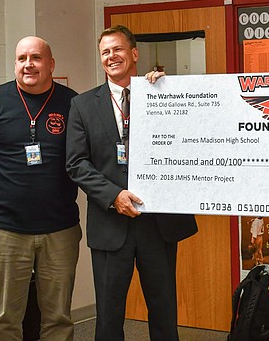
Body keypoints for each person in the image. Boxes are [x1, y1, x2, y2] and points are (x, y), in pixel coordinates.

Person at [65, 25, 198, 341]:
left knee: (164, 313)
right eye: (105, 52)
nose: (112, 56)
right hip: (111, 224)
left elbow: (189, 138)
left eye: (118, 49)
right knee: (108, 319)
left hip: (158, 224)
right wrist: (113, 196)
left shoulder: (162, 95)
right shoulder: (82, 106)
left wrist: (168, 90)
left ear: (135, 53)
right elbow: (76, 164)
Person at [0, 36, 81, 341]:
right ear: (15, 63)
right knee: (5, 320)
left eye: (36, 58)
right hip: (5, 231)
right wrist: (1, 184)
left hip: (60, 230)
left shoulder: (73, 103)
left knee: (58, 319)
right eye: (21, 58)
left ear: (51, 64)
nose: (28, 64)